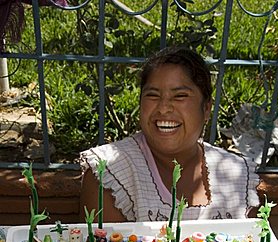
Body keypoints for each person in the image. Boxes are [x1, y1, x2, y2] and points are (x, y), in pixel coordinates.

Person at [80, 46, 260, 222]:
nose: (164, 108)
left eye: (180, 96)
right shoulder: (110, 173)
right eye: (152, 95)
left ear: (206, 108)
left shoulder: (237, 174)